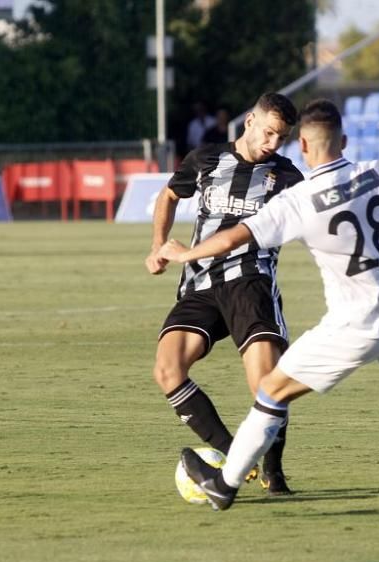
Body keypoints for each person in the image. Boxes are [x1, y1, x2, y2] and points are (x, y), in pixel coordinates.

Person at [160, 99, 379, 521]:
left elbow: (231, 240)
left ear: (301, 143)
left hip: (353, 326)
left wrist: (182, 253)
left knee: (271, 393)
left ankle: (224, 485)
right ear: (346, 140)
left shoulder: (299, 199)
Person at [145, 92, 305, 495]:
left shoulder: (288, 178)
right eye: (268, 132)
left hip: (251, 284)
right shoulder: (205, 159)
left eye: (280, 138)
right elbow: (168, 195)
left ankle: (274, 473)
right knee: (167, 370)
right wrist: (157, 245)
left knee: (268, 385)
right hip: (199, 284)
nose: (272, 144)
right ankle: (234, 455)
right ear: (250, 121)